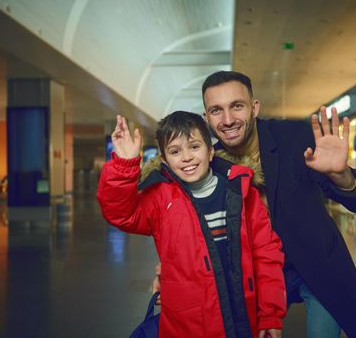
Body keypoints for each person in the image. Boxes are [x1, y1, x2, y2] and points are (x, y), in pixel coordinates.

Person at [196, 71, 356, 338]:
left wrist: (341, 175)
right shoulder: (209, 163)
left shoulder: (295, 138)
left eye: (237, 106)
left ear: (254, 107)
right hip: (255, 274)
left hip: (316, 266)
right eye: (216, 110)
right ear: (206, 118)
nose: (228, 120)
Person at [97, 111, 286, 338]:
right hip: (187, 325)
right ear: (165, 160)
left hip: (242, 317)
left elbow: (266, 255)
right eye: (175, 151)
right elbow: (120, 214)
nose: (186, 157)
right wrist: (124, 165)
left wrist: (270, 315)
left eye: (194, 147)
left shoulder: (241, 192)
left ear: (210, 151)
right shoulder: (160, 199)